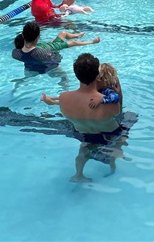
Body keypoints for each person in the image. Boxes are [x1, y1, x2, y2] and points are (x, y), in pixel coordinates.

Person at [40, 53, 123, 182]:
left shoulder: (64, 98)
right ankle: (112, 168)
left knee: (83, 151)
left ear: (76, 74)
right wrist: (118, 91)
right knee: (118, 145)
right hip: (110, 135)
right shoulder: (108, 102)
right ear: (97, 74)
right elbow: (118, 114)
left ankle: (78, 175)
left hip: (83, 134)